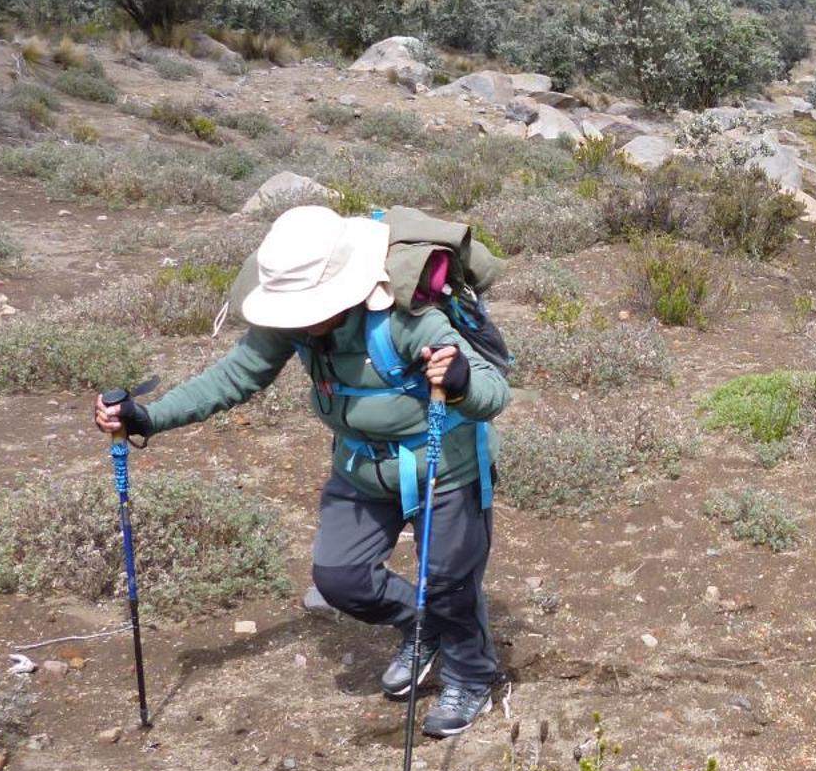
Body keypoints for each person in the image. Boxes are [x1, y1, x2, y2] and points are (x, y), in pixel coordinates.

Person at [92, 205, 510, 736]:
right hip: (360, 468)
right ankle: (418, 625)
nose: (293, 319)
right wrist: (148, 416)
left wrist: (459, 383)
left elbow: (492, 391)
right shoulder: (292, 323)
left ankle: (471, 675)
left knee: (449, 582)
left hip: (445, 468)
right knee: (342, 579)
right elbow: (232, 378)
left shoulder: (407, 317)